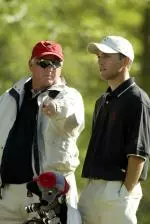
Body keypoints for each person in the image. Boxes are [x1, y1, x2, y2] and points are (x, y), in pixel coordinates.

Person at [0, 40, 84, 224]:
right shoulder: (9, 96)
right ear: (31, 64)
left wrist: (56, 108)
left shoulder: (69, 96)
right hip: (7, 195)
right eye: (44, 63)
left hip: (48, 193)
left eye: (56, 63)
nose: (50, 68)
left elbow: (73, 119)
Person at [78, 35, 150, 224]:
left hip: (117, 189)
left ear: (125, 61)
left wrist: (124, 193)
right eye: (99, 56)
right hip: (92, 189)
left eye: (107, 56)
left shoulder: (137, 99)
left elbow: (138, 154)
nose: (100, 61)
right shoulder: (101, 101)